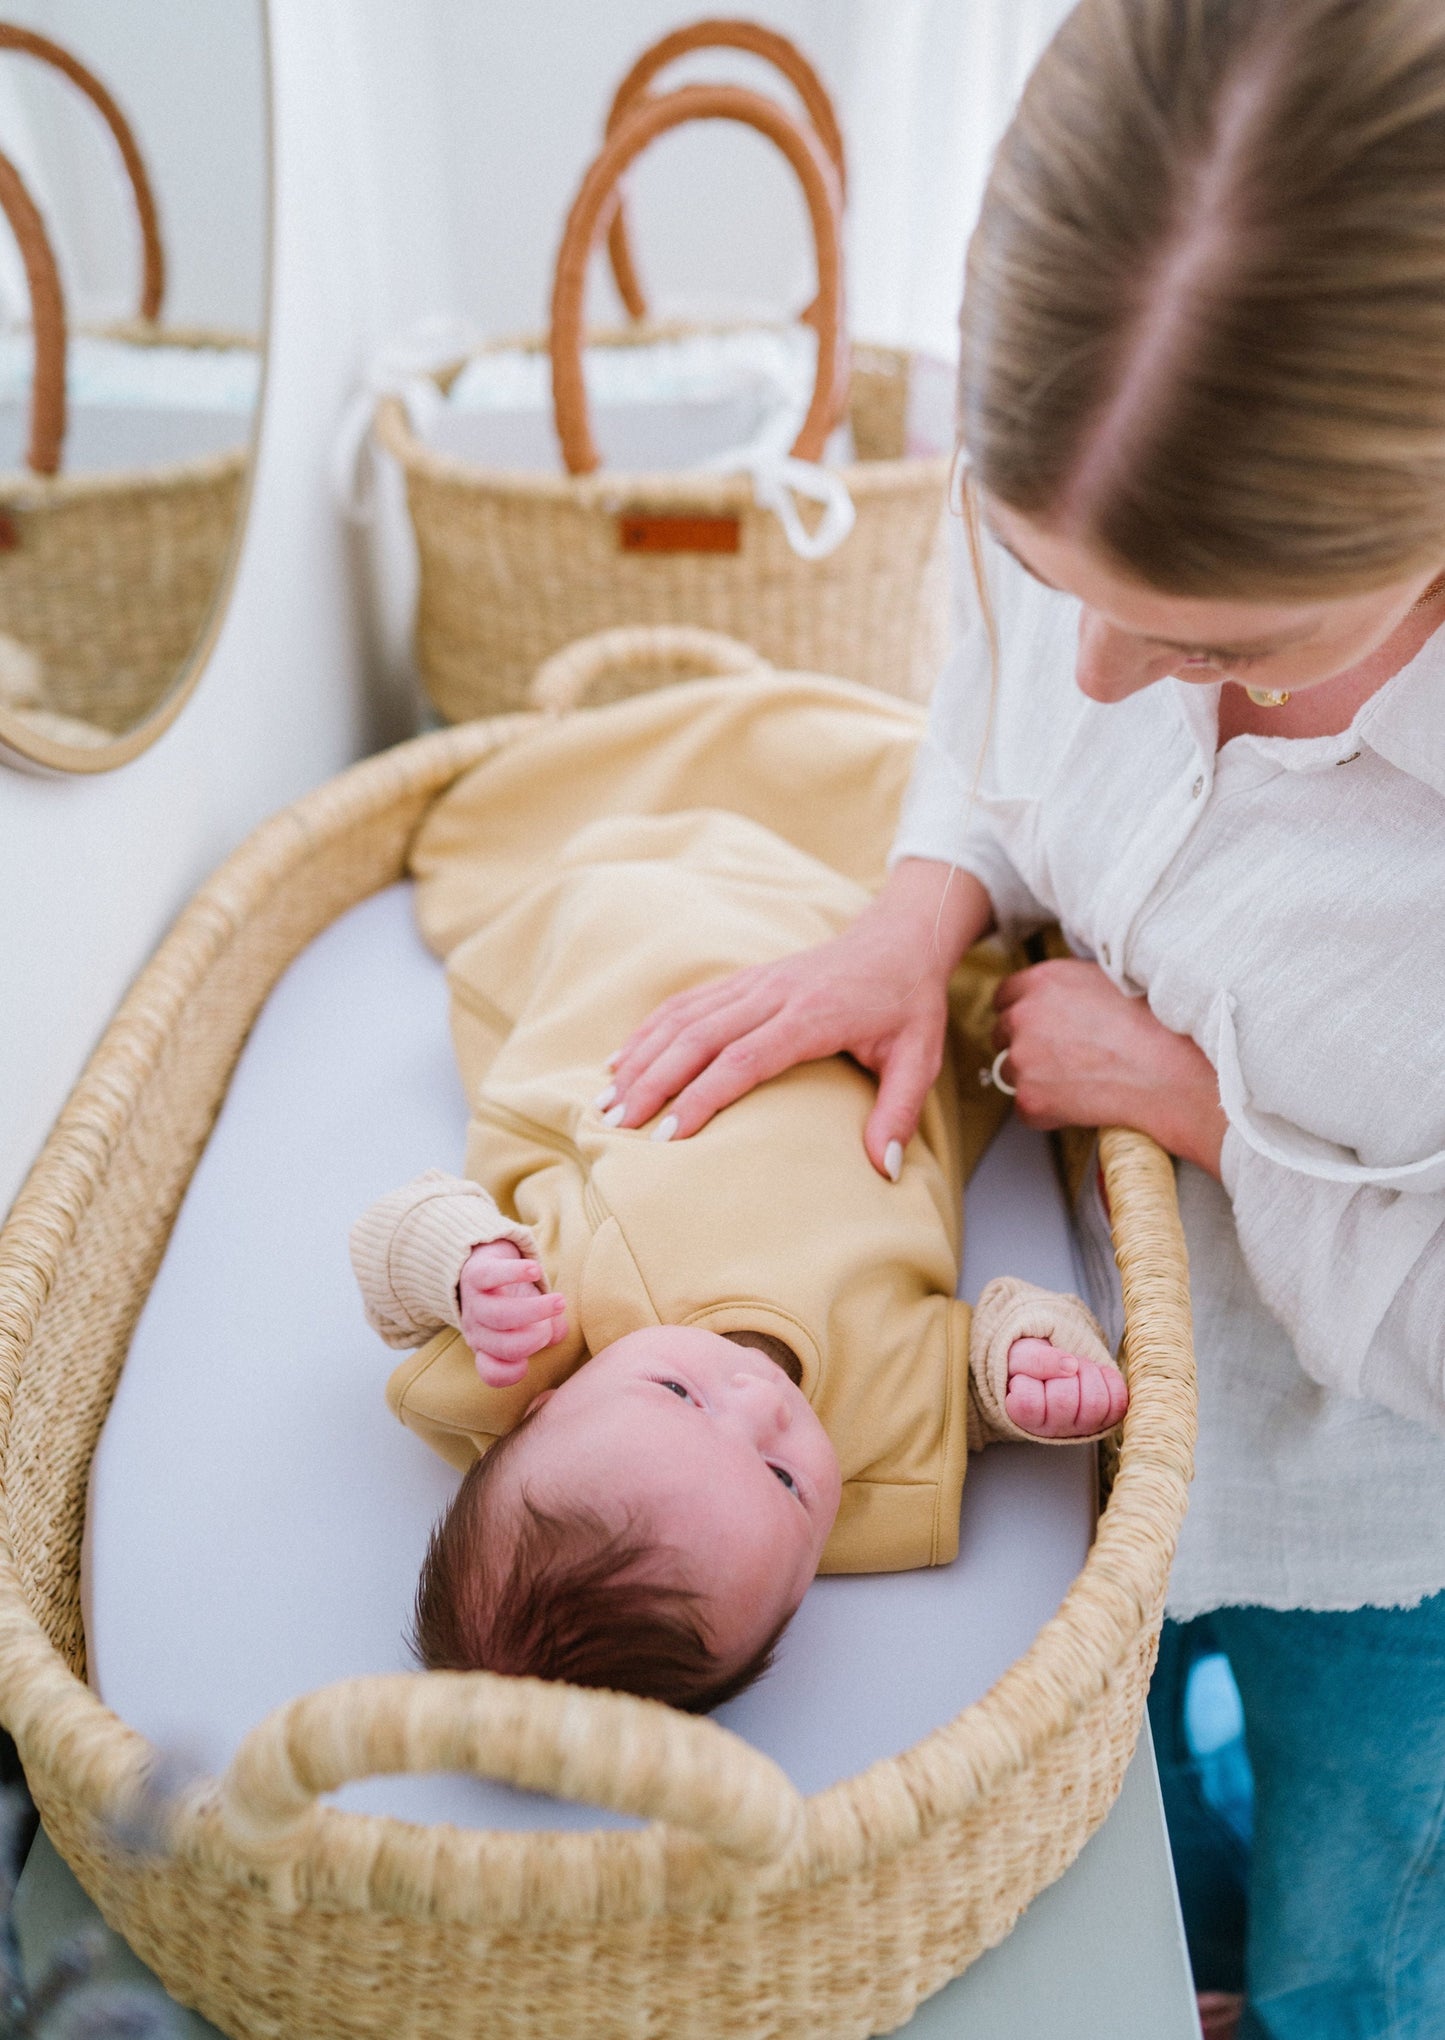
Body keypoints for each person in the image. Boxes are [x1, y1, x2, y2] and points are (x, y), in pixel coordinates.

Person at [603, 0, 1445, 2031]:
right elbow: (994, 738)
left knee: (1358, 1930)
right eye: (1032, 567)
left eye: (1206, 649)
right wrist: (927, 896)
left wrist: (1196, 1111)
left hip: (1383, 1510)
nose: (1084, 678)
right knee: (1146, 1851)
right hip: (1122, 1424)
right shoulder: (1074, 519)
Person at [350, 680, 1125, 1716]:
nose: (759, 1407)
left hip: (665, 967)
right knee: (981, 878)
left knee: (640, 894)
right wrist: (1029, 1367)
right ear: (806, 1573)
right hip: (895, 1025)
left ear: (546, 1406)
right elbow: (984, 1356)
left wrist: (461, 1267)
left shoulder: (549, 1321)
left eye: (677, 1396)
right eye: (783, 1481)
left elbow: (390, 1233)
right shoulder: (874, 1430)